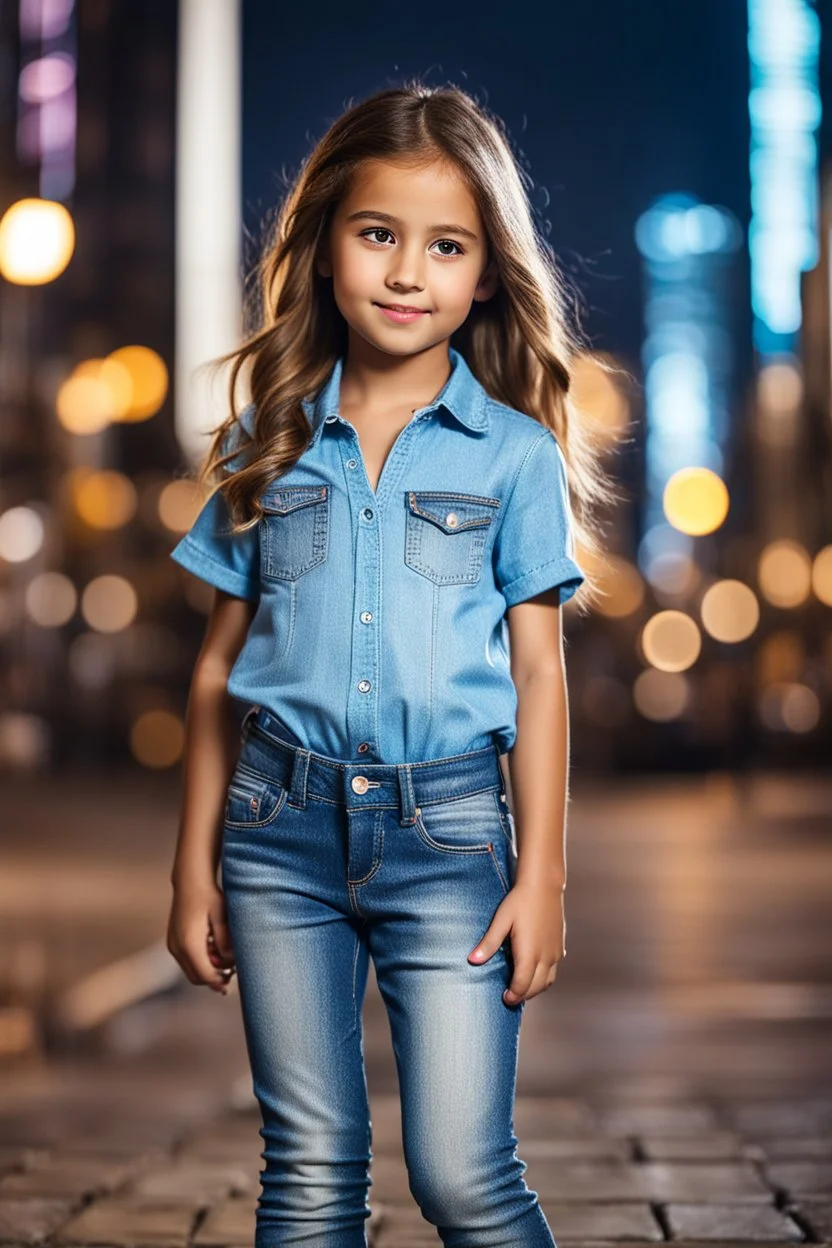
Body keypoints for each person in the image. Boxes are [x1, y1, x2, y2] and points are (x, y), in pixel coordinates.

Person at [166, 81, 614, 1248]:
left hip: (454, 841)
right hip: (278, 833)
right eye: (378, 235)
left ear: (485, 273)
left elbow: (537, 676)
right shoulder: (263, 438)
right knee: (308, 1178)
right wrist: (190, 869)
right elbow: (218, 672)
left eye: (447, 246)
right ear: (323, 249)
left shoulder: (514, 456)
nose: (408, 272)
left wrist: (545, 880)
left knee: (464, 1175)